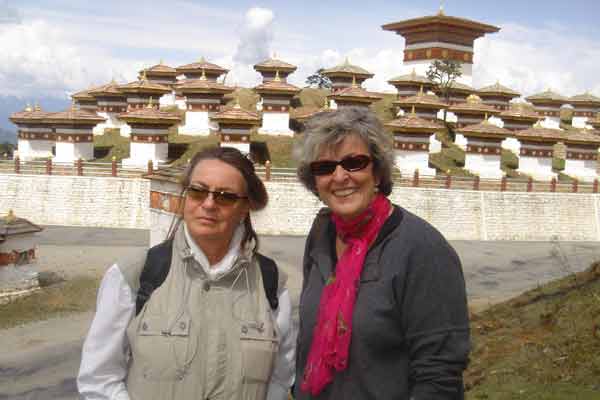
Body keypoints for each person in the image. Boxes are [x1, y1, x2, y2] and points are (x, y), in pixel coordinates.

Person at [78, 147, 295, 400]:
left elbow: (281, 377)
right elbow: (99, 379)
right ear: (185, 196)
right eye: (197, 191)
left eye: (225, 196)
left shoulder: (270, 283)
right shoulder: (136, 275)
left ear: (244, 207)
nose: (209, 204)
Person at [293, 107, 470, 399]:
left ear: (377, 170)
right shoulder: (322, 234)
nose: (339, 177)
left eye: (354, 163)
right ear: (314, 181)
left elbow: (439, 376)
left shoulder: (422, 249)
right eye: (324, 167)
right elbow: (305, 343)